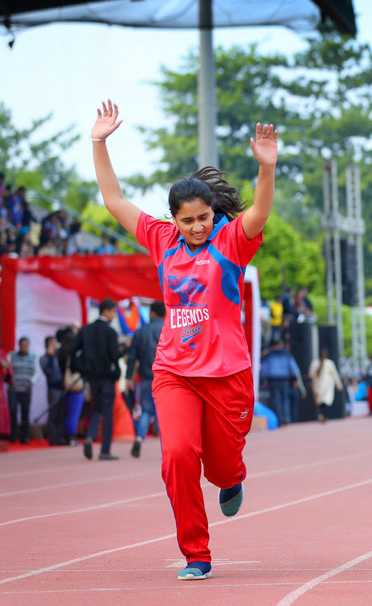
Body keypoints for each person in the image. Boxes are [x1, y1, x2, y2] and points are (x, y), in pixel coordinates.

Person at [88, 100, 276, 580]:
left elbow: (258, 210)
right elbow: (113, 199)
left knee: (221, 468)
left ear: (214, 214)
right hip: (174, 372)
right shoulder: (159, 240)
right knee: (175, 456)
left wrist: (266, 168)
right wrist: (99, 142)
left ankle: (232, 479)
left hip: (228, 376)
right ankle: (197, 554)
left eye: (204, 217)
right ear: (173, 220)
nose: (197, 226)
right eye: (188, 220)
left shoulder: (232, 240)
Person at [69, 300, 122, 459]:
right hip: (107, 377)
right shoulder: (110, 332)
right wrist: (123, 350)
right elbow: (114, 355)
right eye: (113, 312)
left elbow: (71, 350)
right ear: (106, 311)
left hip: (91, 377)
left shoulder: (86, 330)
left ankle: (89, 437)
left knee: (96, 409)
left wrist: (81, 367)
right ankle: (105, 450)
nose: (114, 315)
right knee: (107, 413)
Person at [125, 301, 165, 457]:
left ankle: (139, 438)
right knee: (165, 413)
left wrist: (129, 377)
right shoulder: (167, 329)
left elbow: (132, 356)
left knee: (147, 411)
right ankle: (167, 446)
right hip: (165, 377)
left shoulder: (141, 331)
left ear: (152, 313)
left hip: (147, 377)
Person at [261, 338, 302, 426]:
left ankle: (279, 419)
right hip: (284, 379)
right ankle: (286, 418)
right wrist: (295, 379)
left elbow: (264, 369)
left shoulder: (268, 355)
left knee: (276, 400)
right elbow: (293, 367)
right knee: (285, 399)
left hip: (273, 380)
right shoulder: (286, 354)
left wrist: (263, 380)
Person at [9, 337, 38, 444]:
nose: (24, 346)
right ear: (19, 345)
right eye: (22, 344)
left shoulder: (33, 357)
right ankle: (13, 435)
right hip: (13, 389)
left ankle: (24, 436)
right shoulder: (11, 356)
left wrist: (31, 381)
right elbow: (7, 370)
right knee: (13, 411)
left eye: (26, 344)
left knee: (25, 413)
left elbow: (37, 372)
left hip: (26, 389)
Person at [40, 335, 67, 445]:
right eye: (52, 343)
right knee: (53, 414)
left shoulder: (58, 356)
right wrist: (50, 356)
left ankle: (60, 437)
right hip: (53, 389)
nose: (54, 345)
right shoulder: (44, 358)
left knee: (61, 414)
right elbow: (49, 372)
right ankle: (52, 438)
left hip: (62, 388)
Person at [309, 348, 343, 423]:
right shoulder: (329, 363)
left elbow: (311, 375)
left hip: (318, 386)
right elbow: (335, 374)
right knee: (326, 401)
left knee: (320, 402)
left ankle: (322, 415)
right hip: (326, 385)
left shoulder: (315, 363)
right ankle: (323, 415)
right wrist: (339, 384)